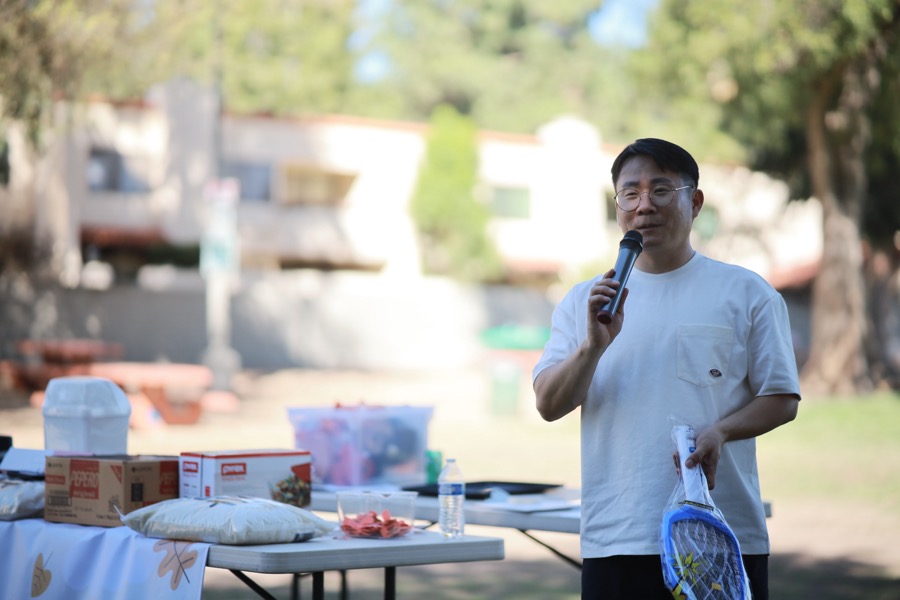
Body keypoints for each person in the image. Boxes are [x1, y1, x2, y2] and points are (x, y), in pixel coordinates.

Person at [533, 138, 801, 600]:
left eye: (660, 190)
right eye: (630, 193)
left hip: (720, 535)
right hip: (617, 535)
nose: (644, 206)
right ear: (618, 206)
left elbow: (782, 399)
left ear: (694, 202)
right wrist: (592, 347)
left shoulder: (747, 293)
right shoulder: (585, 301)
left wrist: (721, 431)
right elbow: (548, 403)